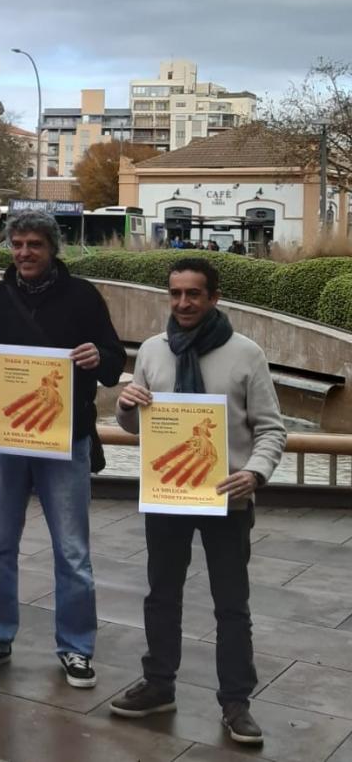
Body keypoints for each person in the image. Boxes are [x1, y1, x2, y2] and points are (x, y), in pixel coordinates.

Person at [110, 258, 286, 746]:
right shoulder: (151, 350)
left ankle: (236, 703)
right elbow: (134, 425)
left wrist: (256, 471)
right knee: (161, 595)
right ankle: (159, 685)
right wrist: (125, 405)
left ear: (213, 298)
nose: (183, 303)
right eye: (175, 294)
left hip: (226, 497)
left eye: (193, 294)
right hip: (168, 494)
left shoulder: (245, 354)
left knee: (232, 604)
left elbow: (272, 428)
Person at [0, 209, 125, 688]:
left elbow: (114, 359)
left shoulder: (83, 296)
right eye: (17, 245)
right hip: (7, 439)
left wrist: (98, 357)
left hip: (65, 439)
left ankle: (76, 648)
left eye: (34, 244)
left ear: (52, 248)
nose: (24, 253)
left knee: (72, 551)